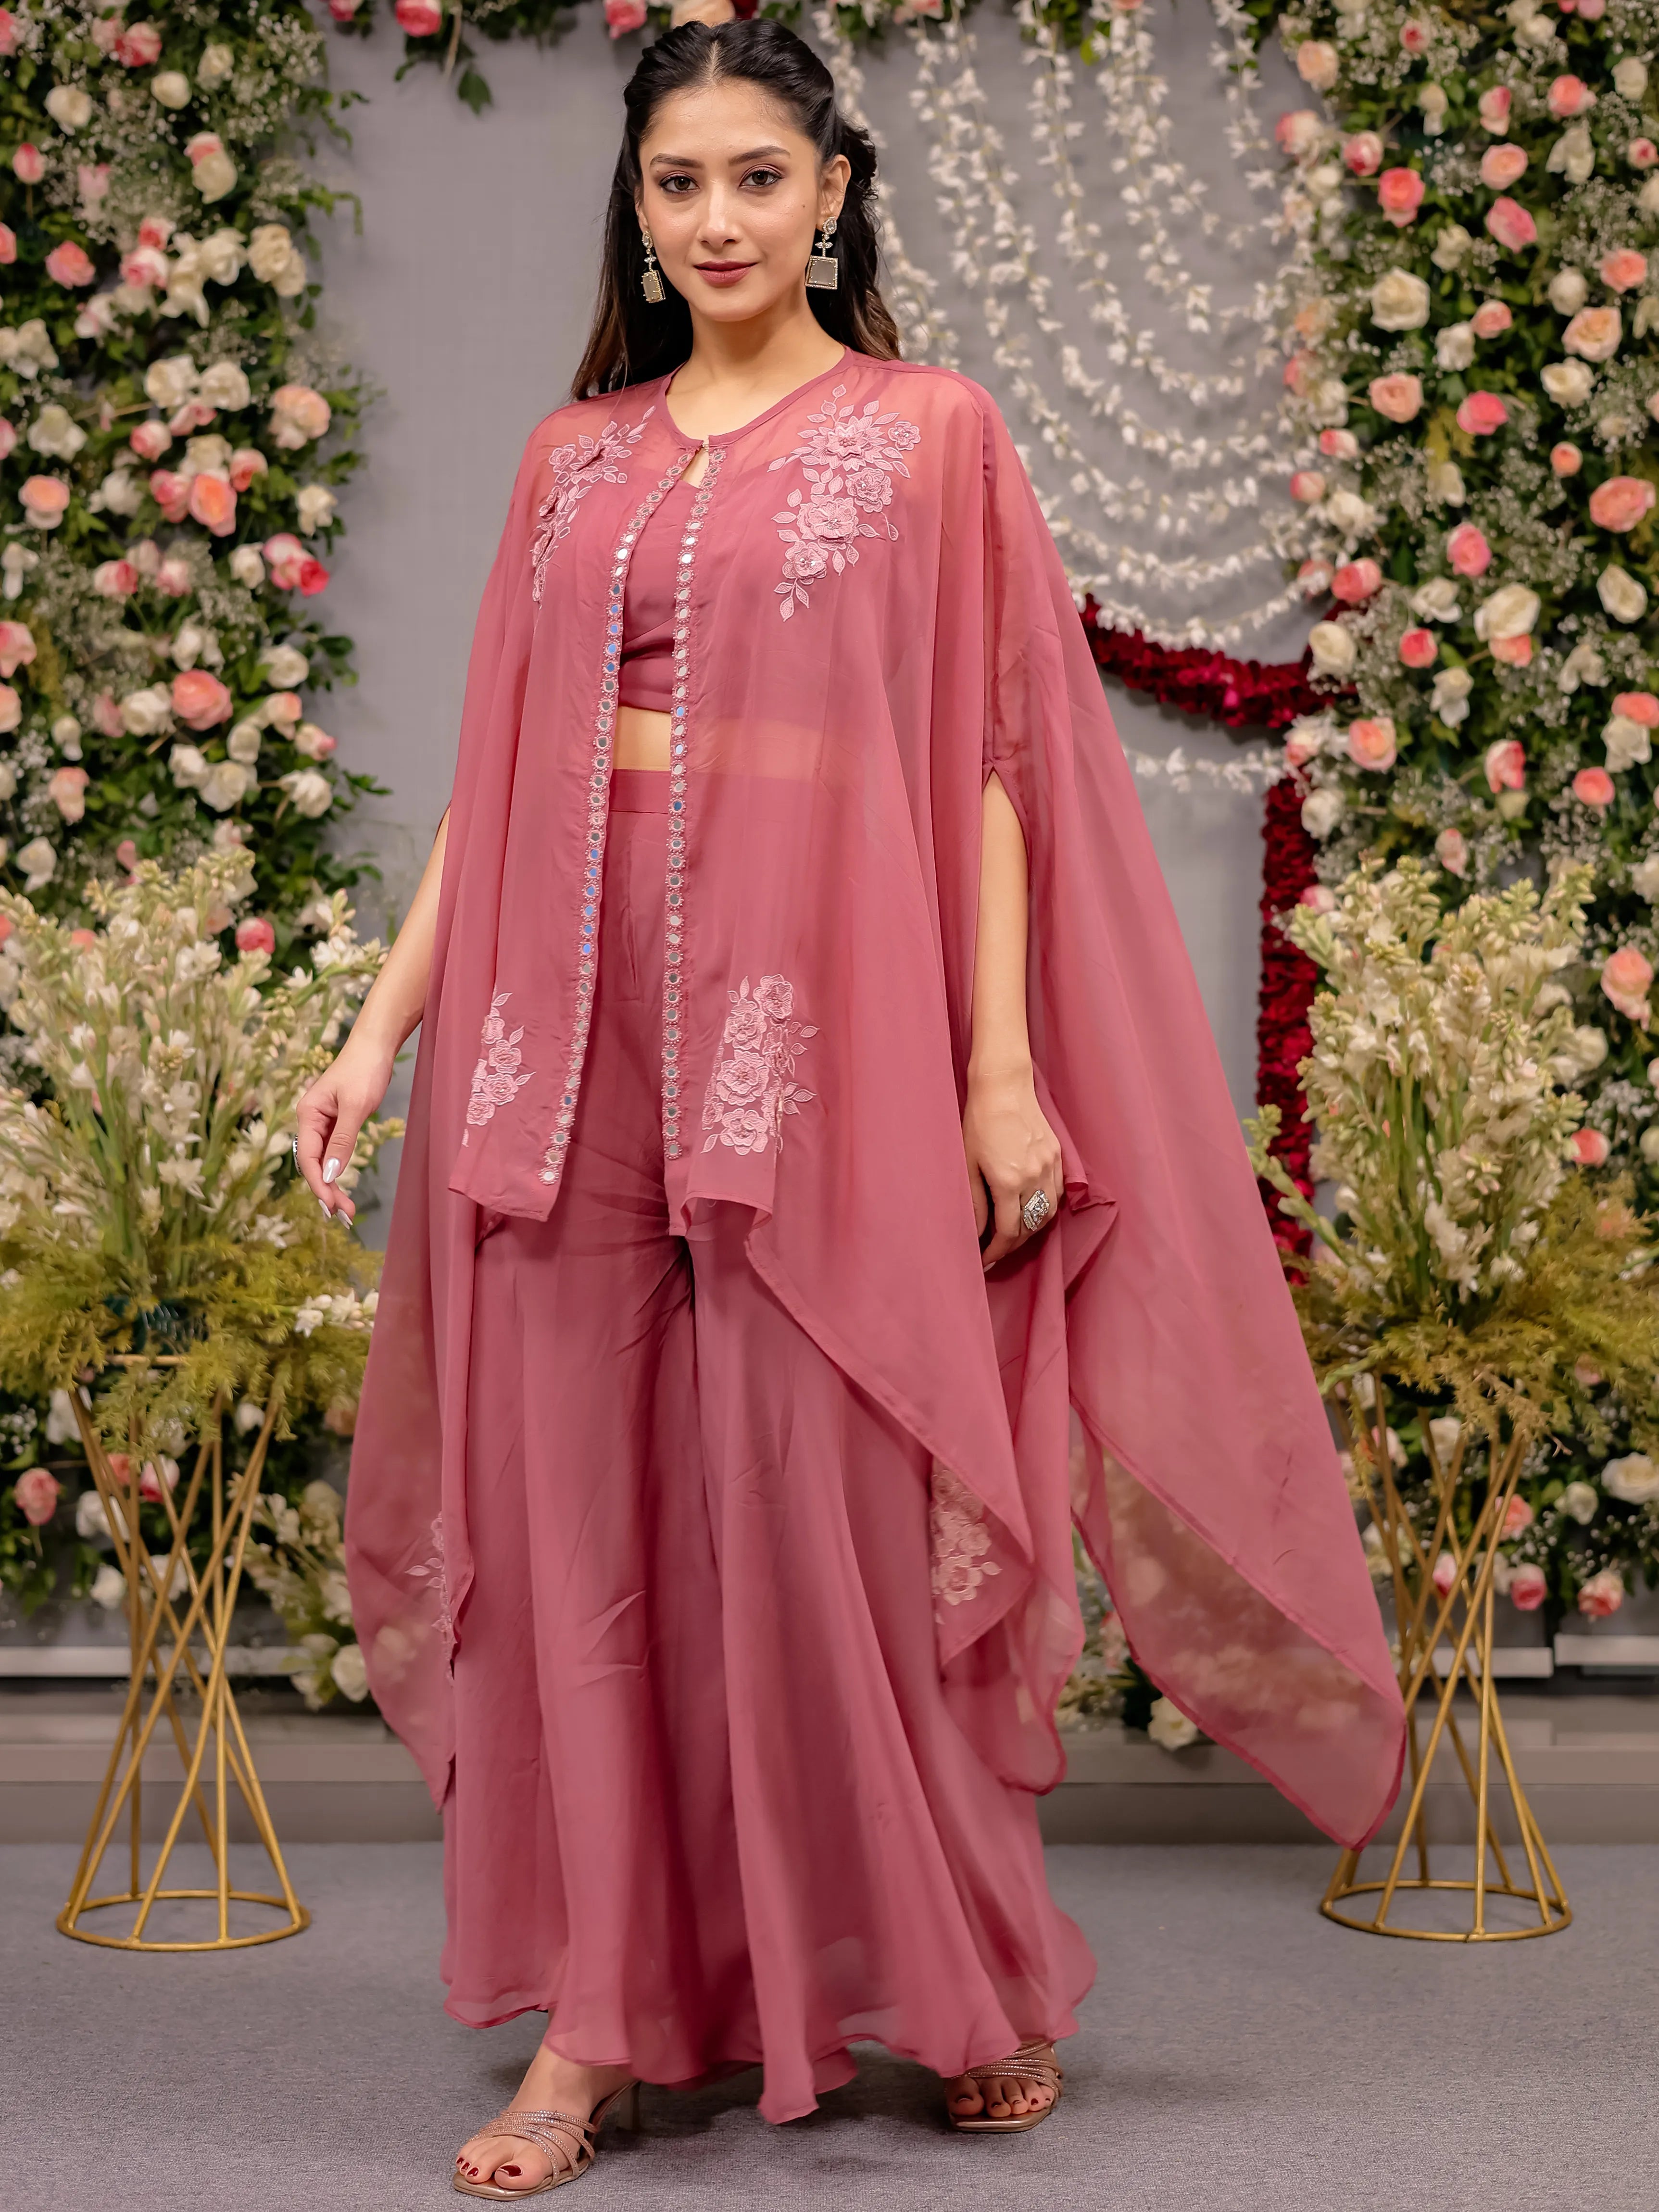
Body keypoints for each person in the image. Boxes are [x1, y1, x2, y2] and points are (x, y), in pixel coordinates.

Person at [302, 10, 1404, 2195]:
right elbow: (492, 785)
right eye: (679, 183)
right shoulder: (571, 455)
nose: (717, 219)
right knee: (580, 1529)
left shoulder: (926, 436)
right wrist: (375, 1035)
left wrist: (1002, 1073)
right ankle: (598, 2024)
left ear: (830, 194)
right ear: (639, 208)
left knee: (830, 1514)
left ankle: (944, 1979)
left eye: (756, 180)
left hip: (820, 1042)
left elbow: (991, 768)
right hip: (564, 1041)